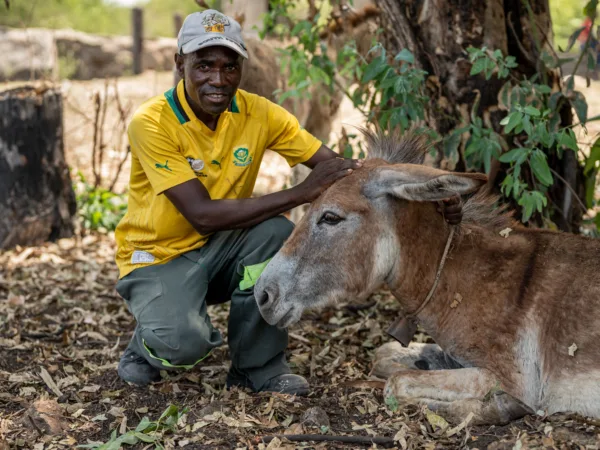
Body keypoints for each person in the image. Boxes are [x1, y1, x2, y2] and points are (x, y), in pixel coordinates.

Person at [113, 9, 462, 395]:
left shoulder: (257, 112)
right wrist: (300, 193)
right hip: (157, 256)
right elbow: (202, 215)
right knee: (182, 344)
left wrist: (431, 191)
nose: (218, 79)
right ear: (179, 63)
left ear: (242, 67)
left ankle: (256, 367)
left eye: (230, 67)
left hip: (220, 246)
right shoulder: (152, 122)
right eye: (204, 65)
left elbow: (341, 170)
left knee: (276, 233)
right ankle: (147, 343)